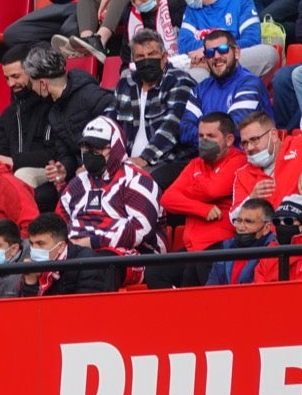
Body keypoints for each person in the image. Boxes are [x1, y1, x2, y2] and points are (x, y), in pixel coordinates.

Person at [57, 118, 165, 276]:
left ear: (115, 147)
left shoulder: (137, 180)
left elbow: (139, 230)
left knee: (93, 266)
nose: (90, 153)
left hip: (137, 256)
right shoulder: (77, 184)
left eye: (98, 148)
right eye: (86, 147)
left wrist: (93, 243)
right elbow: (60, 222)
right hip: (78, 252)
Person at [106, 29, 198, 190]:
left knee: (137, 186)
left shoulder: (179, 81)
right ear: (134, 60)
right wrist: (99, 157)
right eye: (140, 57)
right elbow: (108, 124)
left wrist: (145, 158)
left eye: (152, 54)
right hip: (127, 162)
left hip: (166, 161)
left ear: (164, 58)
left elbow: (172, 126)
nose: (146, 60)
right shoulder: (125, 83)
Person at [22, 45, 114, 191]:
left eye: (31, 83)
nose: (32, 88)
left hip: (109, 171)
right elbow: (66, 153)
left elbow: (117, 134)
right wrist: (64, 168)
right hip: (83, 176)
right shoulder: (54, 112)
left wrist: (90, 164)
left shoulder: (90, 95)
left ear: (43, 84)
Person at [161, 111, 246, 256]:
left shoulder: (238, 161)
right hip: (192, 247)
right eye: (201, 136)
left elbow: (213, 190)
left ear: (229, 140)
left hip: (220, 245)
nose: (204, 140)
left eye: (211, 136)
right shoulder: (195, 164)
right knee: (155, 273)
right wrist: (202, 209)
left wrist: (186, 191)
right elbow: (167, 199)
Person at [176, 0, 277, 78]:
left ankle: (213, 66)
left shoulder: (242, 1)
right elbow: (184, 45)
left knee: (268, 53)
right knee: (193, 76)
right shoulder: (192, 9)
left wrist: (209, 51)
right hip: (204, 70)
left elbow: (251, 40)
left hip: (234, 62)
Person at [0, 44, 59, 209]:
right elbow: (1, 148)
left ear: (32, 71)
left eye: (16, 76)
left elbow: (56, 152)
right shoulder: (8, 114)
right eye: (7, 78)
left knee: (21, 175)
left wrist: (15, 161)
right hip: (13, 171)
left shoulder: (53, 105)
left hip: (49, 171)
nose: (11, 84)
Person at [231, 110, 302, 209]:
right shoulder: (242, 174)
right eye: (244, 143)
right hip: (267, 231)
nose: (249, 148)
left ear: (273, 135)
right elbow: (234, 219)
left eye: (254, 140)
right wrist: (251, 199)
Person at [181, 29, 270, 142]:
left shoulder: (250, 85)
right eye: (210, 53)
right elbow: (185, 131)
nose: (216, 56)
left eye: (223, 50)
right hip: (205, 157)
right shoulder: (200, 89)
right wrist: (212, 137)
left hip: (243, 157)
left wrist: (202, 134)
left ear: (236, 52)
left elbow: (231, 129)